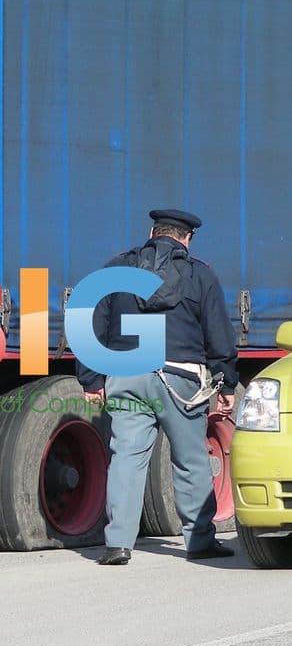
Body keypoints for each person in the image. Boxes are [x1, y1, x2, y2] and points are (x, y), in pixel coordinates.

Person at [76, 208, 239, 566]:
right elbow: (217, 332)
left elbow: (92, 323)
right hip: (179, 377)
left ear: (152, 232)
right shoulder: (200, 274)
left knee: (127, 458)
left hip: (127, 373)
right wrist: (226, 380)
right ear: (187, 238)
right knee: (191, 459)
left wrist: (91, 378)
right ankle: (199, 541)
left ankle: (118, 544)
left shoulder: (116, 268)